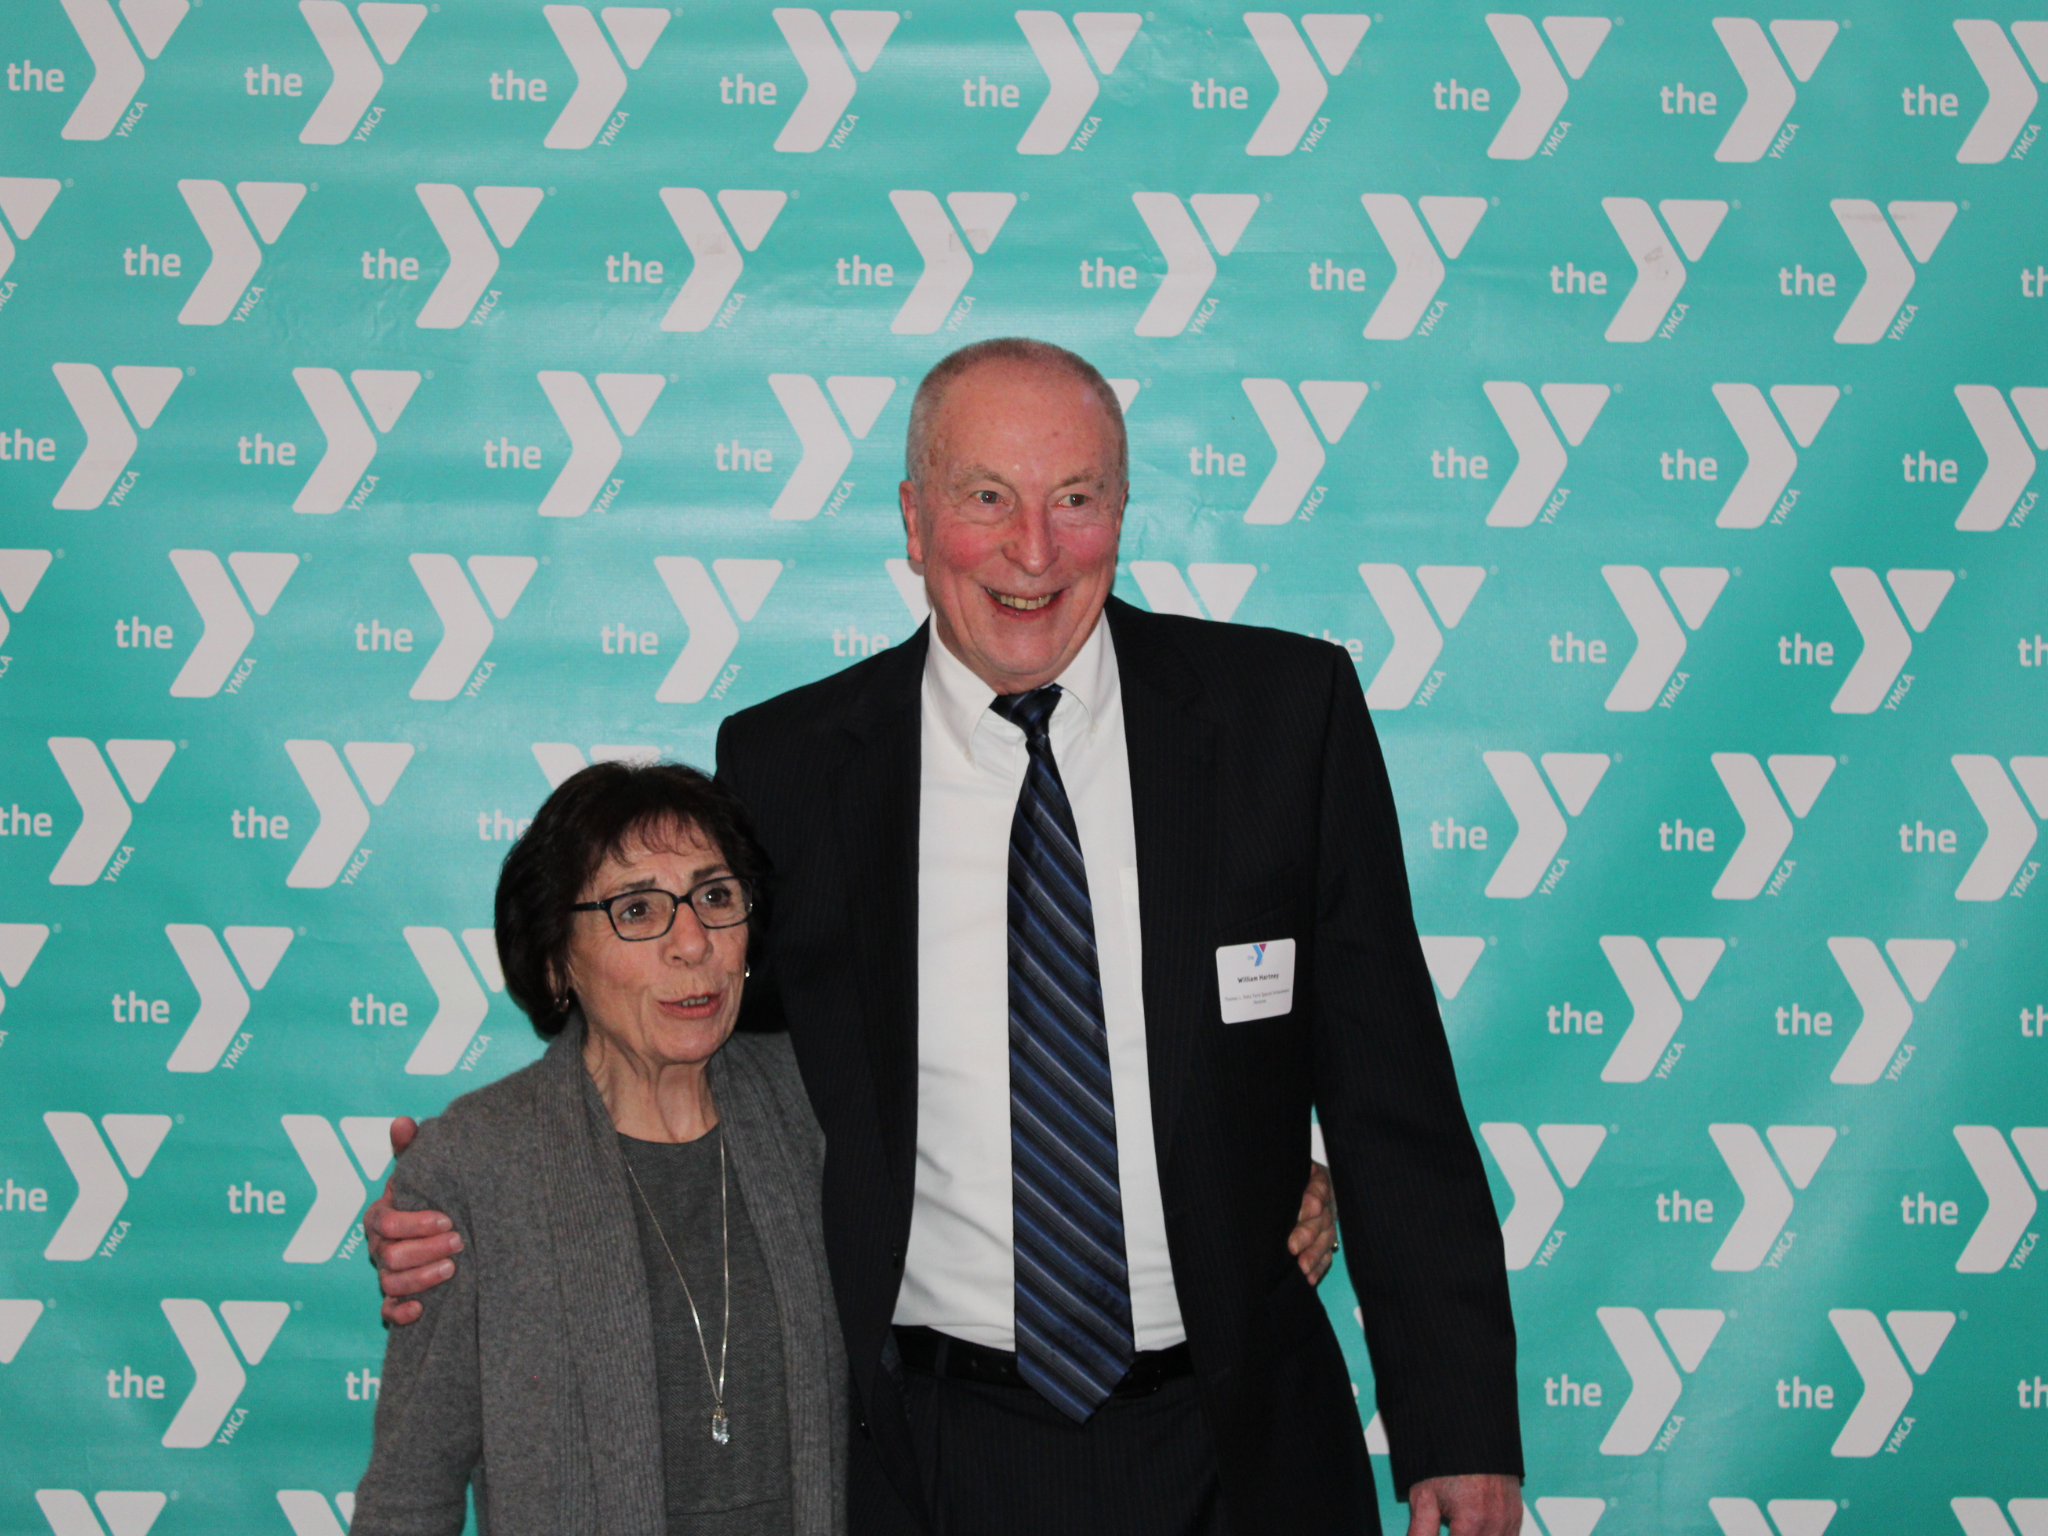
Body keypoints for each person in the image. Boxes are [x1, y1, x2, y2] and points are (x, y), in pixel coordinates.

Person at [375, 337, 1520, 1535]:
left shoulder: (1283, 718)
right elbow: (696, 1055)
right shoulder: (790, 766)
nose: (1034, 550)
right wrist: (482, 1189)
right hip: (926, 1453)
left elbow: (1393, 1089)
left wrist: (1459, 1431)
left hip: (1237, 1440)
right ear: (916, 524)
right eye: (987, 499)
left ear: (1120, 512)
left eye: (1074, 499)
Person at [352, 761, 847, 1536]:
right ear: (555, 961)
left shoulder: (820, 1104)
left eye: (715, 897)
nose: (693, 942)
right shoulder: (475, 1166)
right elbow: (412, 1491)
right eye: (638, 909)